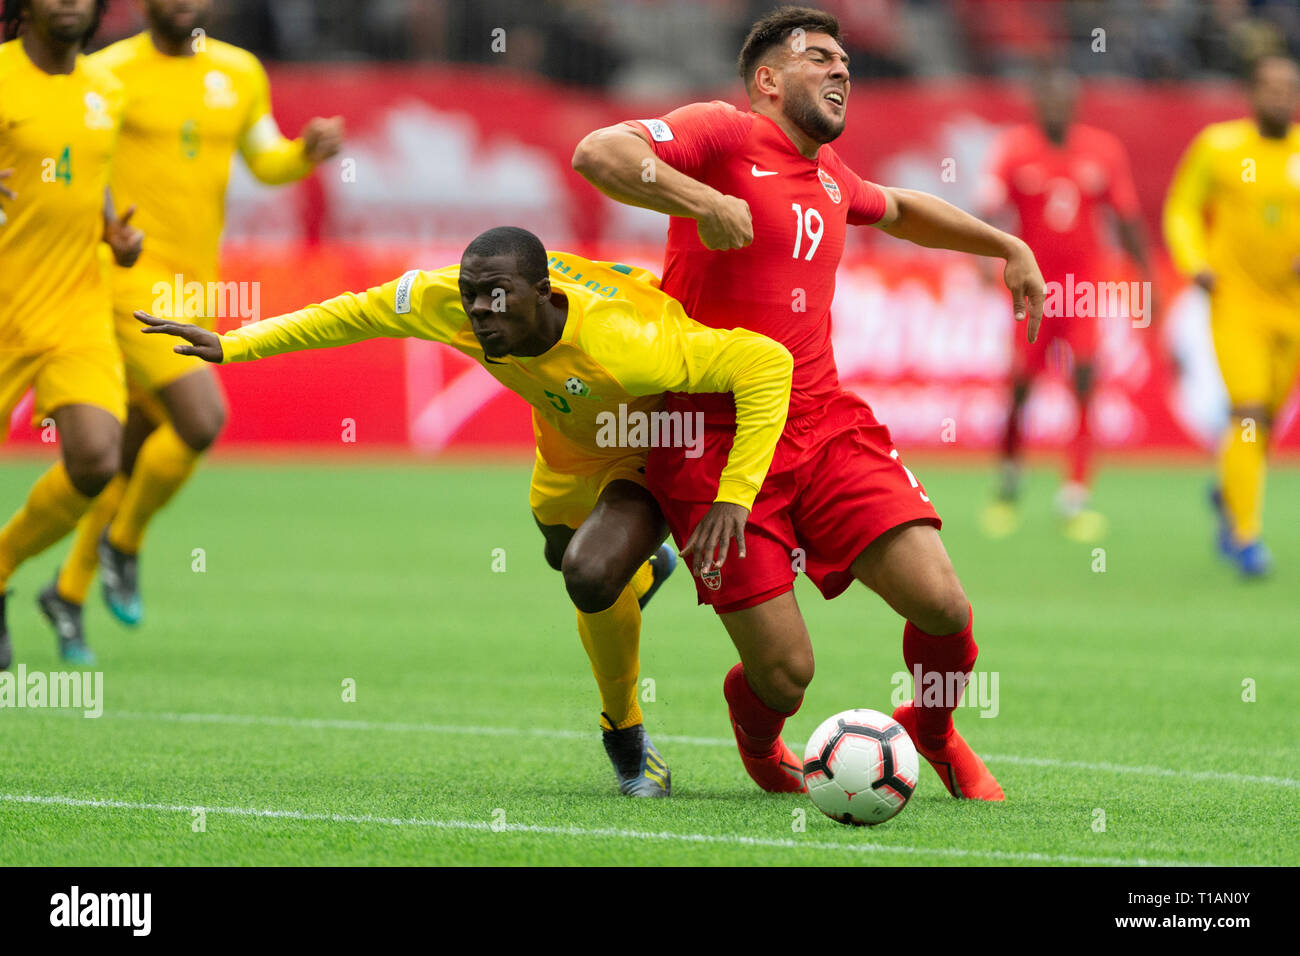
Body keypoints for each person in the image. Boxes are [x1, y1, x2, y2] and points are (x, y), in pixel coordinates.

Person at [136, 227, 794, 797]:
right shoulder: (446, 298)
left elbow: (765, 364)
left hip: (652, 449)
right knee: (565, 558)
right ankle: (644, 571)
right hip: (565, 457)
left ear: (545, 297)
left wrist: (734, 494)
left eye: (496, 298)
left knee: (590, 576)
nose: (479, 313)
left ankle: (625, 738)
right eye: (472, 296)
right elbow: (354, 313)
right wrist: (233, 345)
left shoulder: (626, 341)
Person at [573, 6, 1045, 799]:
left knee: (942, 606)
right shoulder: (721, 133)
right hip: (712, 439)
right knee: (788, 676)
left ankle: (932, 729)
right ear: (767, 80)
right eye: (819, 57)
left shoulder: (831, 176)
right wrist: (702, 201)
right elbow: (598, 153)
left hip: (824, 425)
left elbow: (898, 208)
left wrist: (1007, 245)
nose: (840, 70)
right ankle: (761, 742)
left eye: (845, 61)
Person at [38, 0, 344, 656]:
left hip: (193, 288)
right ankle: (124, 543)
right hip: (122, 278)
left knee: (129, 447)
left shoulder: (238, 71)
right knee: (201, 417)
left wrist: (306, 153)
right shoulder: (108, 70)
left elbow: (266, 160)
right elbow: (74, 160)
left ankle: (66, 590)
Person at [0, 0, 143, 668]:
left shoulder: (105, 89)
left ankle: (1, 566)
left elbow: (93, 174)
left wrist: (116, 232)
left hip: (75, 309)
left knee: (95, 458)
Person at [979, 68, 1156, 543]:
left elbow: (1127, 218)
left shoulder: (1102, 151)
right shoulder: (1014, 150)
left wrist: (1147, 277)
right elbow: (989, 211)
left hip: (1081, 293)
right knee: (1019, 386)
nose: (1057, 108)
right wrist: (982, 258)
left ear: (1075, 106)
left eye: (1065, 101)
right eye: (1049, 100)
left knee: (1084, 380)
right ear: (1037, 104)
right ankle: (1009, 485)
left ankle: (1075, 496)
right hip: (1031, 293)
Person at [1164, 55, 1300, 577]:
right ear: (1252, 92)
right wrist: (1194, 263)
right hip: (1235, 303)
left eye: (1290, 88)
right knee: (1247, 412)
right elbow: (1181, 206)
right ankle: (1246, 536)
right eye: (1271, 87)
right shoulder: (1220, 147)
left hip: (1289, 308)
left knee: (1264, 421)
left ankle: (1227, 492)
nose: (1281, 97)